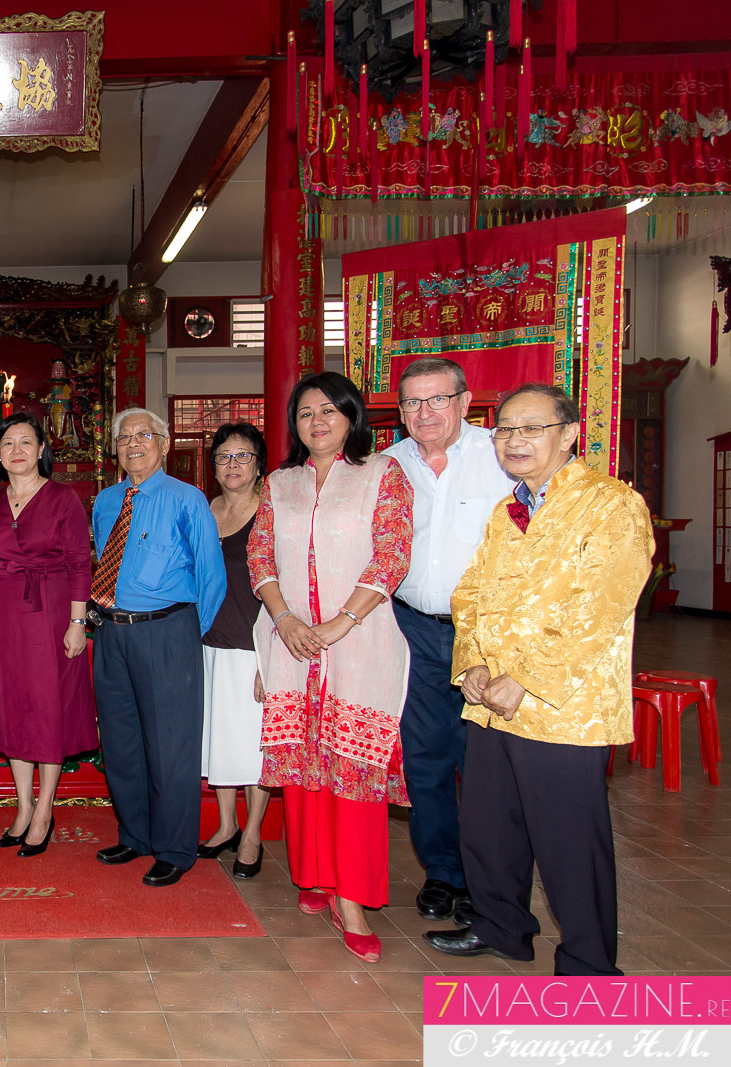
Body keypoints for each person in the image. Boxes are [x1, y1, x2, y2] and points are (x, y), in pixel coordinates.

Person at [425, 384, 651, 976]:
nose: (514, 442)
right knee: (489, 825)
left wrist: (524, 677)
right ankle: (502, 926)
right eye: (504, 430)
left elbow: (600, 606)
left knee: (569, 839)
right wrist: (471, 663)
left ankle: (588, 961)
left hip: (561, 704)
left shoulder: (610, 505)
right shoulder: (509, 511)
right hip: (490, 699)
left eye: (531, 429)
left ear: (569, 434)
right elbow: (470, 594)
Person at [249, 372, 413, 963]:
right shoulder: (280, 483)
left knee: (352, 771)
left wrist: (339, 623)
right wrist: (286, 620)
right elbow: (259, 555)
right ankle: (314, 873)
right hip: (292, 644)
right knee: (305, 767)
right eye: (304, 414)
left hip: (359, 641)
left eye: (328, 411)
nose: (316, 423)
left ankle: (355, 901)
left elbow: (393, 553)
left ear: (351, 417)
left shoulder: (381, 474)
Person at [381, 357, 515, 926]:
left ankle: (492, 884)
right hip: (412, 626)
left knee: (486, 762)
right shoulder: (388, 465)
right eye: (412, 402)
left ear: (465, 402)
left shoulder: (502, 456)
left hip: (487, 634)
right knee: (427, 757)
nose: (424, 413)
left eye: (437, 400)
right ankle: (443, 874)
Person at [90, 407, 226, 887]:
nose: (132, 444)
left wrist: (185, 636)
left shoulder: (188, 500)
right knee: (122, 742)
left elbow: (212, 578)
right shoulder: (105, 502)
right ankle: (136, 835)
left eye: (143, 435)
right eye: (123, 437)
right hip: (110, 632)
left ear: (164, 444)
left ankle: (174, 847)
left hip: (167, 632)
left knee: (172, 746)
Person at [0, 414, 97, 858]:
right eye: (8, 443)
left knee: (47, 709)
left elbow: (81, 564)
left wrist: (77, 622)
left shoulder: (64, 499)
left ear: (42, 449)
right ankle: (22, 807)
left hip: (52, 614)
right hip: (3, 621)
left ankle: (45, 809)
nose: (18, 449)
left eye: (26, 441)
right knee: (14, 712)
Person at [197, 422, 273, 879]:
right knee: (221, 739)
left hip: (254, 644)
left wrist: (273, 659)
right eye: (224, 457)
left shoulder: (271, 513)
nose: (232, 465)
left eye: (242, 456)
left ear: (259, 464)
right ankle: (226, 824)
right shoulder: (207, 510)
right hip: (210, 641)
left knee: (254, 746)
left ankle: (253, 833)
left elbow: (286, 587)